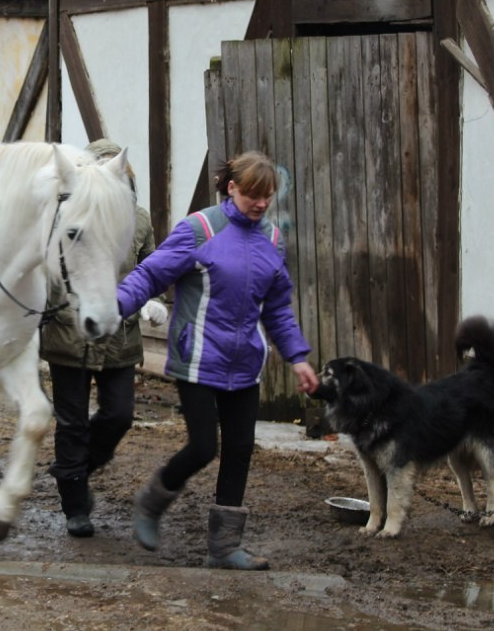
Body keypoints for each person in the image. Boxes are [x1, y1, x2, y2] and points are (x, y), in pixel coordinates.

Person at [116, 150, 318, 570]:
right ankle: (152, 501)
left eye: (267, 196)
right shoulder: (200, 229)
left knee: (240, 448)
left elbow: (277, 308)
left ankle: (224, 548)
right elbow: (151, 274)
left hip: (245, 363)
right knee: (203, 446)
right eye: (252, 195)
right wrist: (115, 305)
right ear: (231, 188)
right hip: (198, 358)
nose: (261, 203)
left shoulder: (272, 240)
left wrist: (297, 358)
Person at [39, 138, 159, 538]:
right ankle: (75, 505)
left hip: (119, 334)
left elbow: (149, 268)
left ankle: (74, 469)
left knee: (119, 415)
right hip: (68, 333)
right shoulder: (63, 215)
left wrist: (152, 300)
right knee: (71, 422)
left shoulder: (138, 220)